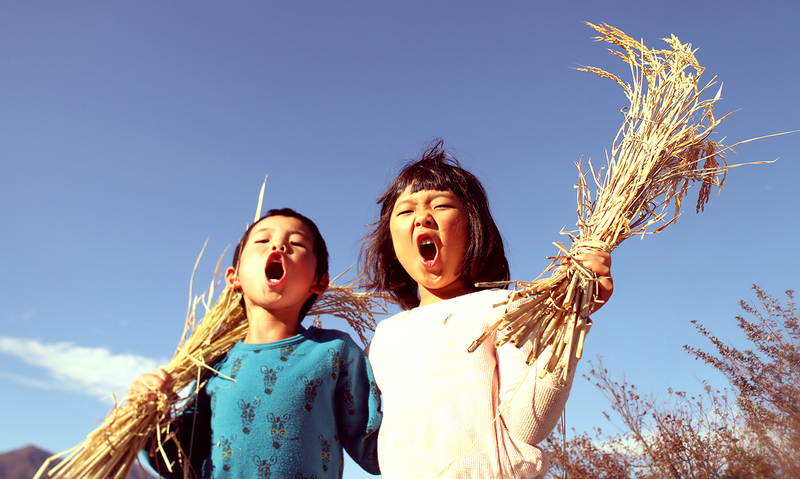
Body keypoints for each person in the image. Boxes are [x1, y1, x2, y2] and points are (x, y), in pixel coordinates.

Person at [360, 140, 613, 478]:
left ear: (474, 226)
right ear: (391, 242)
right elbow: (365, 445)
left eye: (441, 205)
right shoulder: (383, 337)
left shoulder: (503, 307)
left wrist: (569, 318)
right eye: (406, 211)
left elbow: (527, 424)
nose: (422, 218)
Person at [131, 208, 381, 479]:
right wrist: (144, 415)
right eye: (262, 241)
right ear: (234, 277)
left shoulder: (333, 351)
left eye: (296, 243)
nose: (279, 245)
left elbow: (375, 450)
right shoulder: (213, 364)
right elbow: (178, 462)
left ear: (319, 282)